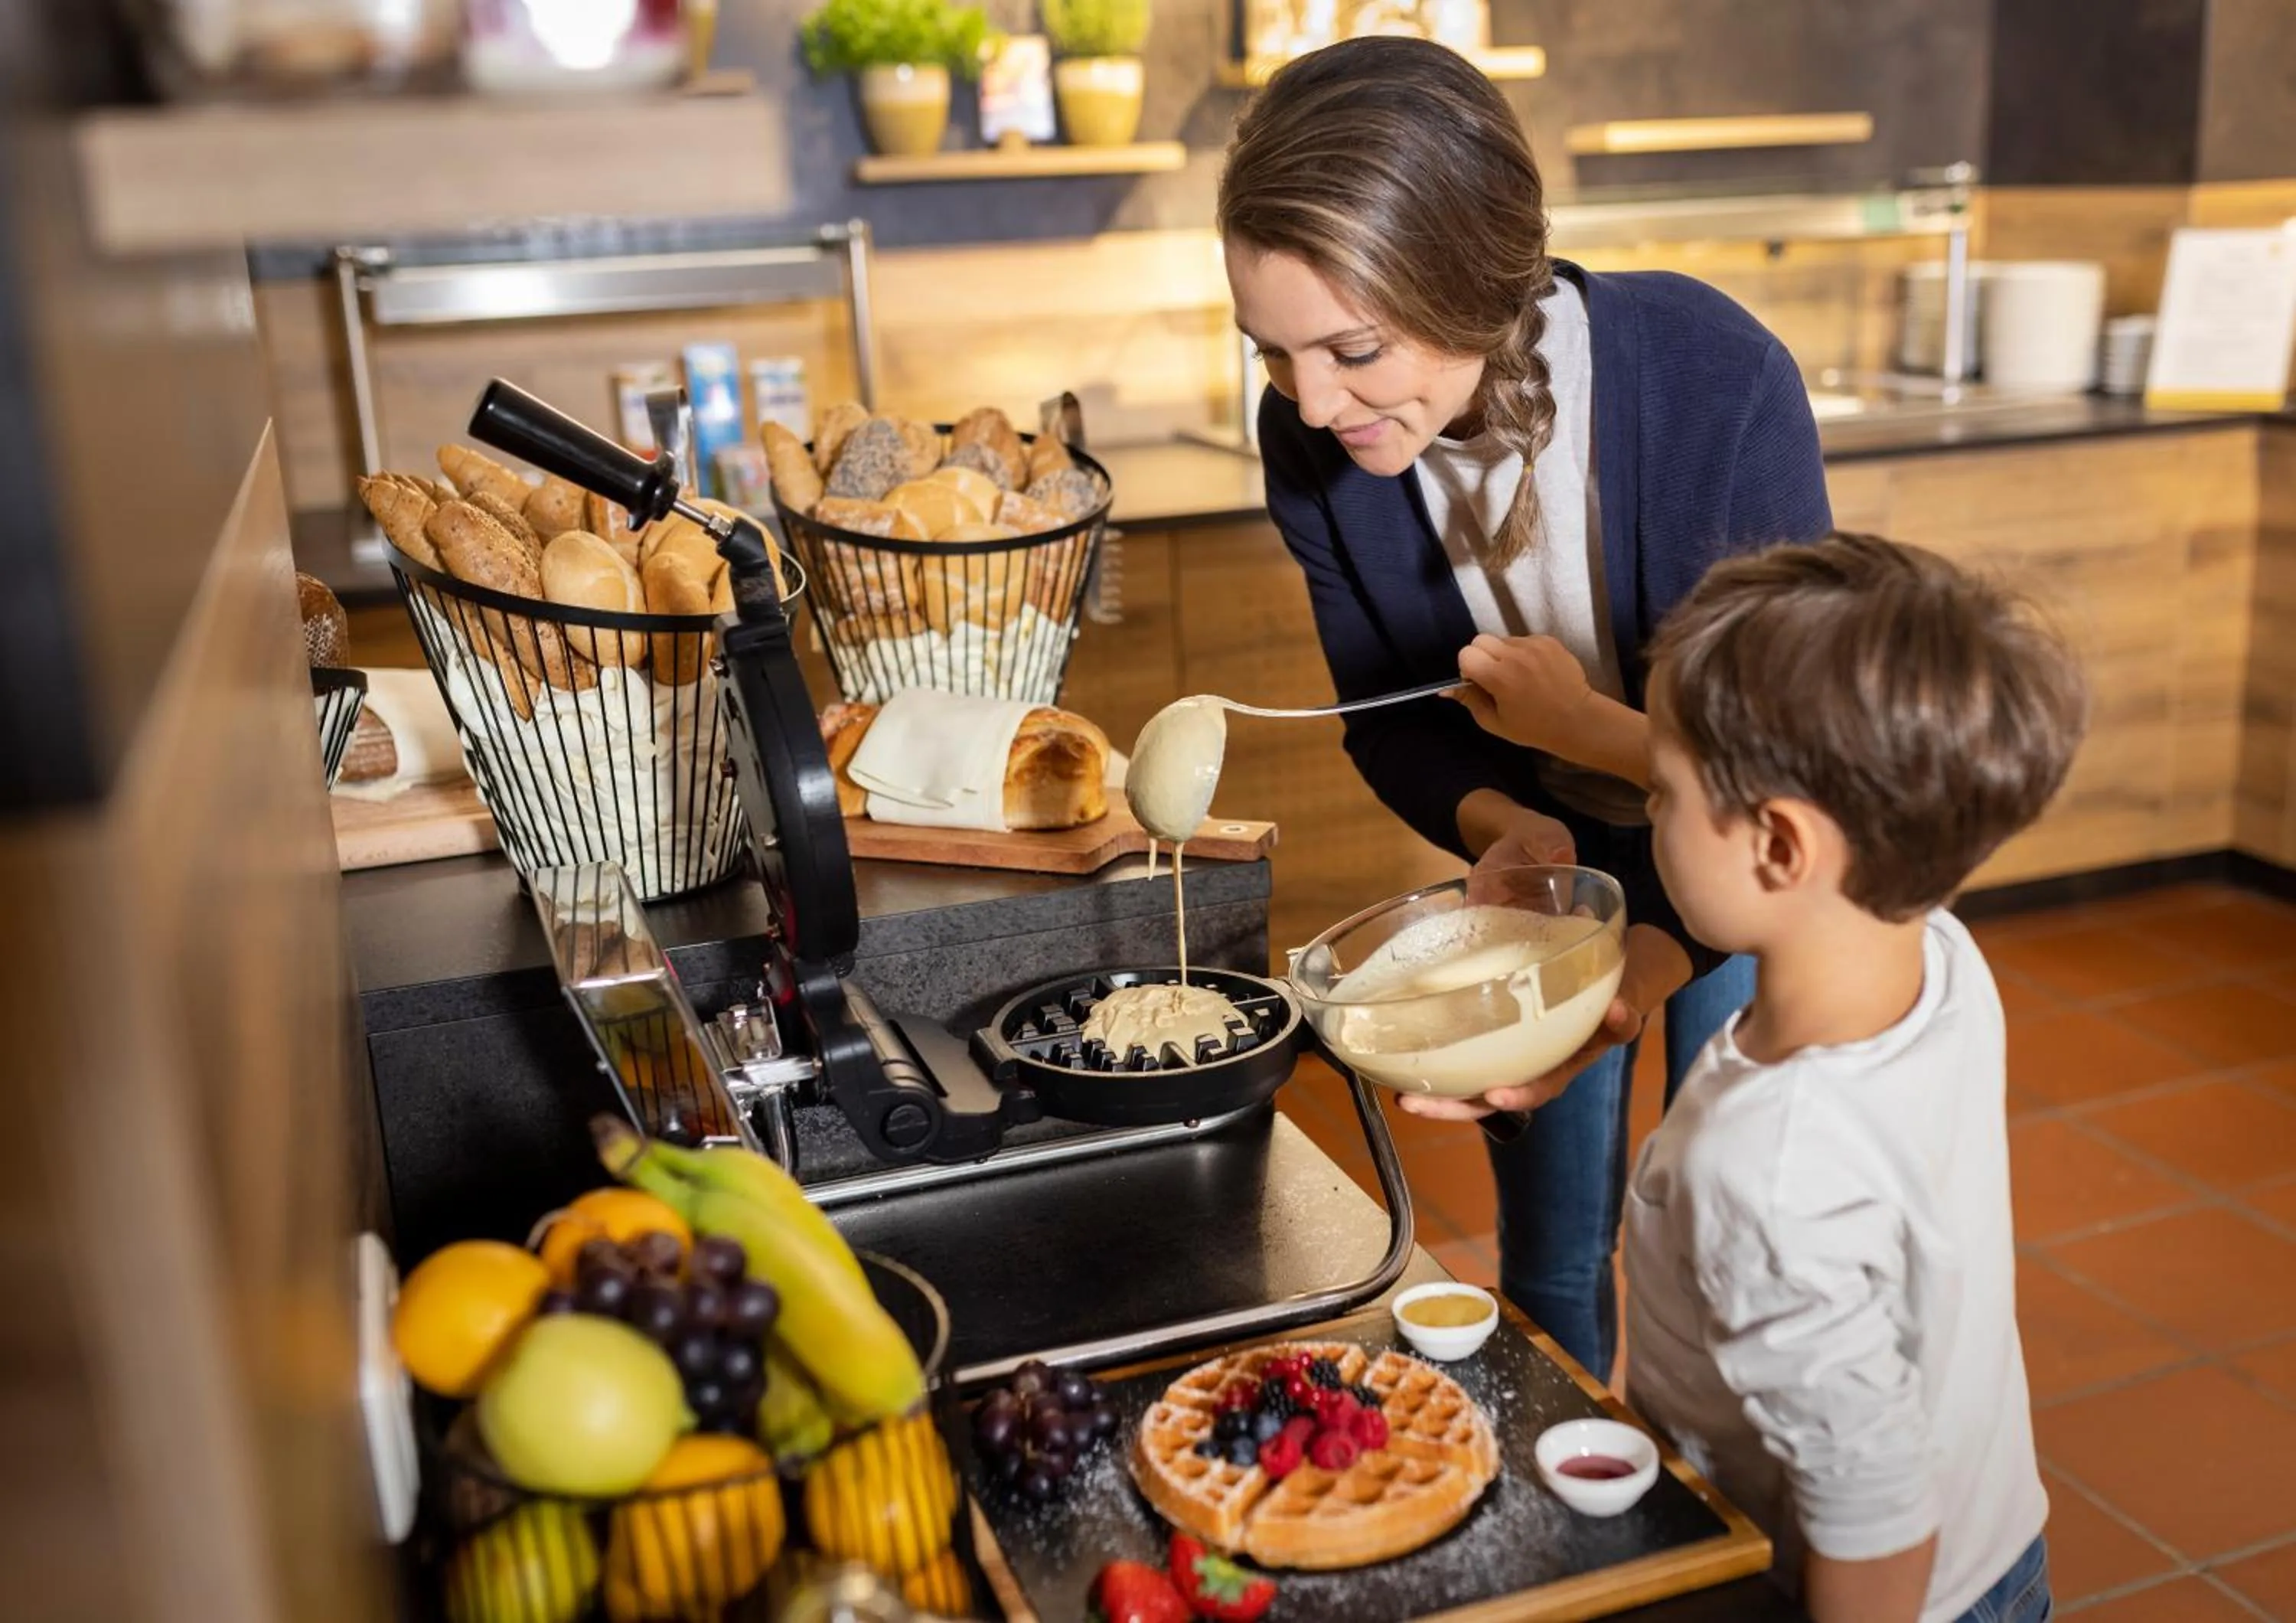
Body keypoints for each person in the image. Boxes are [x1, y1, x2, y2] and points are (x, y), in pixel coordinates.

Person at [1218, 34, 1831, 1378]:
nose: (1315, 406)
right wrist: (1516, 833)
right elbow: (1391, 722)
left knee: (1744, 1238)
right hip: (1562, 875)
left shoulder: (1715, 380)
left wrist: (1595, 778)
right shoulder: (1312, 440)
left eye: (1355, 347)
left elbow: (1795, 775)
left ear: (1470, 279)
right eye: (1272, 353)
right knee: (1557, 1257)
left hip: (1756, 860)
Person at [1622, 535, 2085, 1623]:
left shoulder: (1767, 1164)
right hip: (1999, 1540)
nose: (1648, 817)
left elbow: (1875, 1523)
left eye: (1660, 794)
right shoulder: (1940, 956)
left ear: (1780, 848)